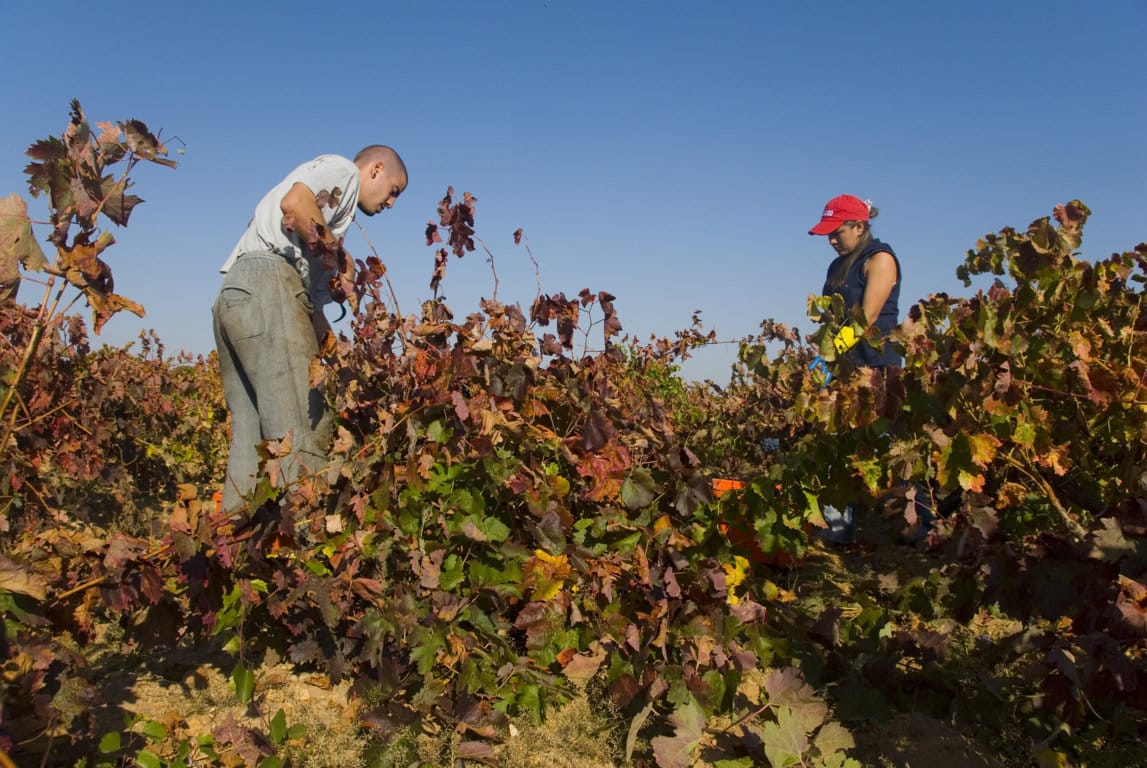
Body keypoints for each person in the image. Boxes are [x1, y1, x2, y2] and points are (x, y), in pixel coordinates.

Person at [213, 146, 407, 512]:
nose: (392, 203)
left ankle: (231, 551)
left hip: (236, 295)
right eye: (394, 190)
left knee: (253, 445)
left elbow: (310, 307)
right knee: (305, 428)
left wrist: (333, 347)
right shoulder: (343, 173)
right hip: (269, 286)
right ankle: (309, 551)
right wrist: (339, 256)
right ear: (376, 169)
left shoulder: (329, 220)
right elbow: (296, 203)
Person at [807, 194, 930, 544]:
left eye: (837, 232)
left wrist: (831, 353)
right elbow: (833, 317)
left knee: (888, 452)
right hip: (843, 370)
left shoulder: (880, 260)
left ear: (859, 226)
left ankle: (917, 531)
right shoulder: (837, 267)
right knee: (836, 450)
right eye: (827, 234)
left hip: (877, 370)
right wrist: (823, 355)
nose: (831, 240)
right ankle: (837, 530)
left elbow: (867, 317)